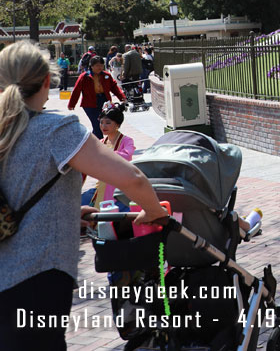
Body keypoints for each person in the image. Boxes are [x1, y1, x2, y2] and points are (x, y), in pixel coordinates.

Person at [0, 41, 167, 350]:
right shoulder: (56, 130)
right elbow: (132, 178)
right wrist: (154, 212)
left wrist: (64, 211)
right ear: (48, 81)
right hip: (35, 280)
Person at [80, 102, 134, 211]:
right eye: (101, 122)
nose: (103, 126)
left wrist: (104, 155)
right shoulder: (100, 142)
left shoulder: (127, 141)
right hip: (102, 185)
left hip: (119, 186)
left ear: (117, 124)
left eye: (108, 123)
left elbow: (127, 156)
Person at [68, 57, 125, 139]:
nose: (100, 68)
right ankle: (100, 145)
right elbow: (76, 91)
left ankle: (93, 143)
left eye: (102, 65)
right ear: (91, 66)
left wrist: (122, 97)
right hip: (90, 103)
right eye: (98, 65)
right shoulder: (84, 77)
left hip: (104, 102)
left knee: (102, 124)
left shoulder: (107, 75)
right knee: (97, 123)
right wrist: (72, 104)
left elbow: (114, 87)